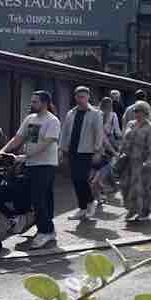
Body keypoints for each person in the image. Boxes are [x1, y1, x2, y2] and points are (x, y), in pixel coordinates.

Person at [0, 90, 61, 248]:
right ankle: (34, 223)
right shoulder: (31, 119)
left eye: (35, 102)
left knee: (39, 199)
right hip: (31, 164)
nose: (31, 104)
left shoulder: (52, 121)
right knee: (23, 193)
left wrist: (25, 157)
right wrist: (3, 151)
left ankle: (46, 232)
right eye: (31, 101)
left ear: (45, 103)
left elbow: (44, 144)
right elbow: (18, 138)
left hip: (46, 165)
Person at [60, 86, 105, 221]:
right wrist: (62, 149)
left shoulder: (95, 113)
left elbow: (99, 133)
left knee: (82, 178)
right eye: (78, 97)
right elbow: (65, 131)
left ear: (88, 97)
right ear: (75, 97)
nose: (81, 99)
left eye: (83, 97)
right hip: (72, 150)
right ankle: (82, 207)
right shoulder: (71, 113)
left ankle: (91, 202)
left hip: (87, 151)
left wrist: (97, 151)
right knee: (75, 179)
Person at [120, 100, 151, 222]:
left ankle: (144, 211)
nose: (135, 112)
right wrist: (120, 153)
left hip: (142, 160)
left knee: (142, 187)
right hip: (128, 159)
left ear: (145, 112)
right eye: (134, 110)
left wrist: (150, 160)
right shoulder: (130, 124)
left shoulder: (150, 126)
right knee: (125, 185)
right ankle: (131, 208)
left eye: (138, 110)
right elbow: (124, 140)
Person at [91, 96, 120, 206]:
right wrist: (115, 151)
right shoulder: (109, 116)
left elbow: (104, 140)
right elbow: (114, 133)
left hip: (98, 153)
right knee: (96, 179)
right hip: (99, 153)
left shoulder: (98, 115)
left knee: (96, 178)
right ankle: (99, 194)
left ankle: (98, 197)